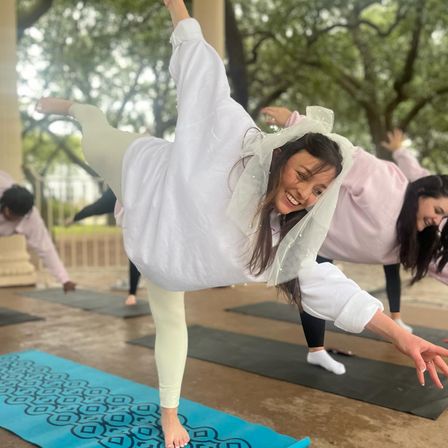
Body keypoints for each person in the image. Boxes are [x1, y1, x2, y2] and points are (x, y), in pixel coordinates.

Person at [36, 1, 448, 447]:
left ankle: (169, 414)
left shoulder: (279, 239)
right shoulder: (235, 143)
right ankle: (80, 109)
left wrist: (400, 336)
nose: (304, 194)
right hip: (142, 174)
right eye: (302, 176)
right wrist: (177, 5)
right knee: (94, 137)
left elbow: (329, 286)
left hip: (165, 254)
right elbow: (202, 70)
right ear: (282, 157)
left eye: (317, 192)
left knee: (172, 325)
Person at [263, 106, 448, 375]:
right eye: (438, 211)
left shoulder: (419, 242)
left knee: (316, 285)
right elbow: (344, 154)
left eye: (444, 218)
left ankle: (317, 352)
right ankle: (316, 350)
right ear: (420, 194)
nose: (437, 221)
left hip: (319, 244)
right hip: (305, 224)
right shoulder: (388, 187)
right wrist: (294, 121)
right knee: (309, 284)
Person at [0, 170, 76, 293]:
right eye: (9, 214)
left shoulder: (31, 219)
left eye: (16, 217)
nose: (11, 219)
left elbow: (46, 248)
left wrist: (64, 279)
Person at [69, 187, 141, 305]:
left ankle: (132, 293)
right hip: (121, 194)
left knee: (136, 252)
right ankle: (132, 294)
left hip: (136, 202)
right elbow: (96, 208)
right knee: (134, 252)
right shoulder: (115, 193)